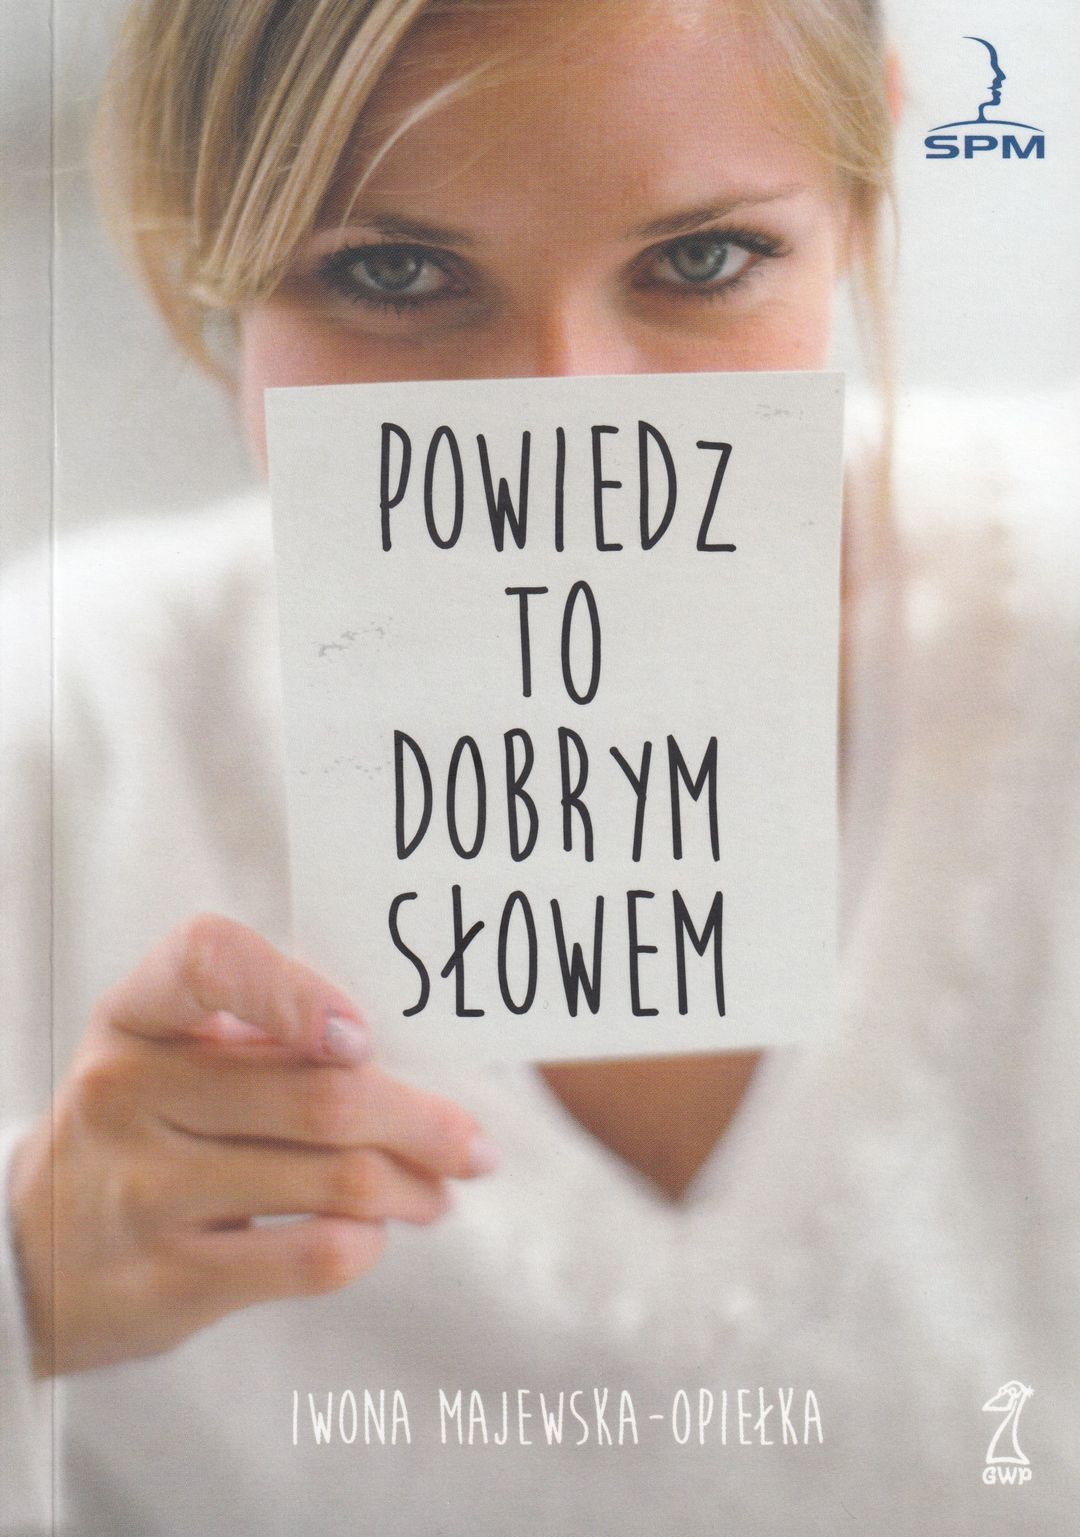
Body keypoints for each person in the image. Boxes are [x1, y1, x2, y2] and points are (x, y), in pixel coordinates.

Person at [2, 0, 1077, 1532]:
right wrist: (26, 1289)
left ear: (858, 194)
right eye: (393, 273)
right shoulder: (55, 738)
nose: (569, 414)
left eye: (701, 259)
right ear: (202, 240)